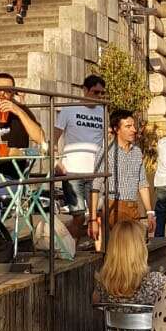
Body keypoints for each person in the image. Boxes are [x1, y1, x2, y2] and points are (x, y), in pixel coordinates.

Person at [0, 73, 44, 225]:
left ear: (13, 93)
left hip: (13, 179)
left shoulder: (21, 114)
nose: (2, 94)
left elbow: (41, 138)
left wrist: (18, 111)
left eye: (7, 90)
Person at [90, 109, 154, 248]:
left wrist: (150, 212)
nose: (134, 130)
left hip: (133, 207)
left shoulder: (136, 151)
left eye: (133, 126)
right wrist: (93, 219)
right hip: (114, 206)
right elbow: (95, 186)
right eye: (128, 126)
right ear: (116, 129)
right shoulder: (106, 151)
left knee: (135, 250)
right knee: (123, 250)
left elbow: (142, 183)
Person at [55, 74, 106, 237]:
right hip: (73, 170)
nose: (98, 97)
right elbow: (54, 137)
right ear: (85, 90)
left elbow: (106, 140)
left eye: (101, 93)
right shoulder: (69, 109)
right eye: (95, 92)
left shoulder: (103, 111)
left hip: (95, 171)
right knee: (78, 216)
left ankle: (98, 252)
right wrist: (56, 161)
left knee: (96, 214)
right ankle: (66, 248)